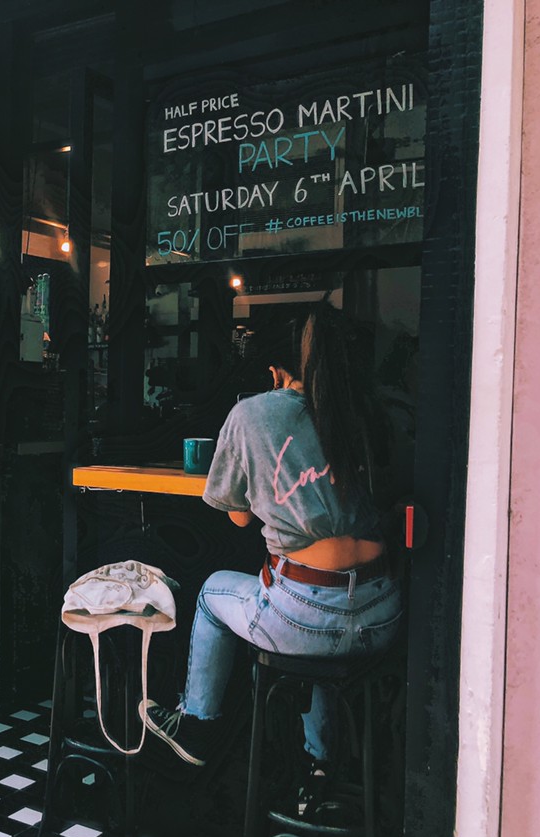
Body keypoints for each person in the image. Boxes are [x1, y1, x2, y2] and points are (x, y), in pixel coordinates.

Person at [140, 303, 402, 778]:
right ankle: (320, 769)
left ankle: (196, 724)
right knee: (322, 645)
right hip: (382, 614)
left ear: (276, 372)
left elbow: (238, 517)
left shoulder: (253, 413)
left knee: (212, 593)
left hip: (303, 619)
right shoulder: (364, 408)